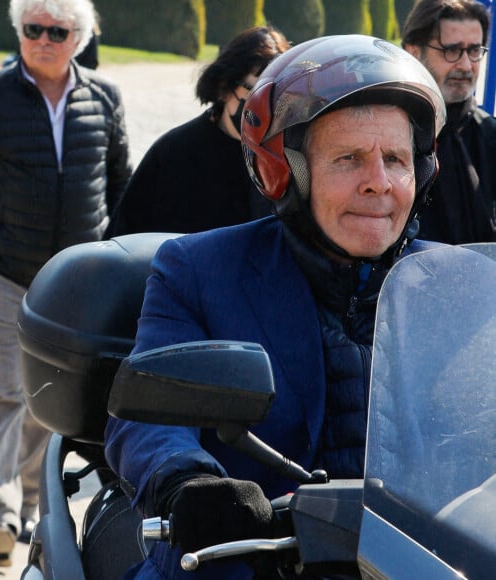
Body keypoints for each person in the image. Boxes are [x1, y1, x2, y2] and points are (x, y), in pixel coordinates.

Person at [104, 34, 446, 579]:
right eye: (348, 159)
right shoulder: (200, 272)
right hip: (244, 562)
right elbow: (148, 418)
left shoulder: (454, 286)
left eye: (396, 159)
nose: (378, 183)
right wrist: (185, 482)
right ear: (285, 171)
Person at [0, 0, 131, 567]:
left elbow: (120, 185)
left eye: (56, 31)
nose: (43, 39)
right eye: (32, 29)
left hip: (71, 285)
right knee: (2, 388)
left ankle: (36, 504)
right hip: (1, 267)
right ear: (19, 32)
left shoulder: (104, 98)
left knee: (47, 396)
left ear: (78, 36)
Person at [108, 26, 290, 236]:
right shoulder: (175, 152)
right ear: (224, 85)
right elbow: (122, 240)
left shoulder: (286, 160)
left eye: (275, 95)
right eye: (254, 91)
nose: (264, 106)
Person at [402, 0, 496, 244]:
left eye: (474, 50)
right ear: (413, 51)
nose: (465, 65)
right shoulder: (387, 134)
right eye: (451, 50)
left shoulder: (489, 135)